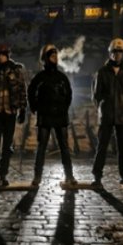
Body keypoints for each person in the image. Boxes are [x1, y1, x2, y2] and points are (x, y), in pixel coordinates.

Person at [28, 44, 77, 186]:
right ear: (46, 58)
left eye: (55, 55)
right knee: (42, 147)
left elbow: (69, 94)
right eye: (51, 55)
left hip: (60, 117)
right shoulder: (40, 77)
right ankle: (37, 177)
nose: (54, 58)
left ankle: (69, 175)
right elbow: (31, 92)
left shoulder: (62, 77)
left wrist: (63, 108)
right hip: (45, 115)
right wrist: (35, 107)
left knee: (64, 147)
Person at [91, 38, 123, 188]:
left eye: (120, 52)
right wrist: (104, 107)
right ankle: (97, 176)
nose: (117, 55)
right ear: (110, 53)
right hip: (108, 113)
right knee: (102, 146)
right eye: (115, 52)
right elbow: (96, 94)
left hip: (122, 113)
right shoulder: (102, 72)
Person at [0, 44, 27, 187]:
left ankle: (3, 175)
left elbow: (22, 89)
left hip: (10, 111)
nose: (1, 56)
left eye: (3, 54)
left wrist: (23, 109)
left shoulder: (16, 70)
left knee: (7, 146)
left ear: (7, 55)